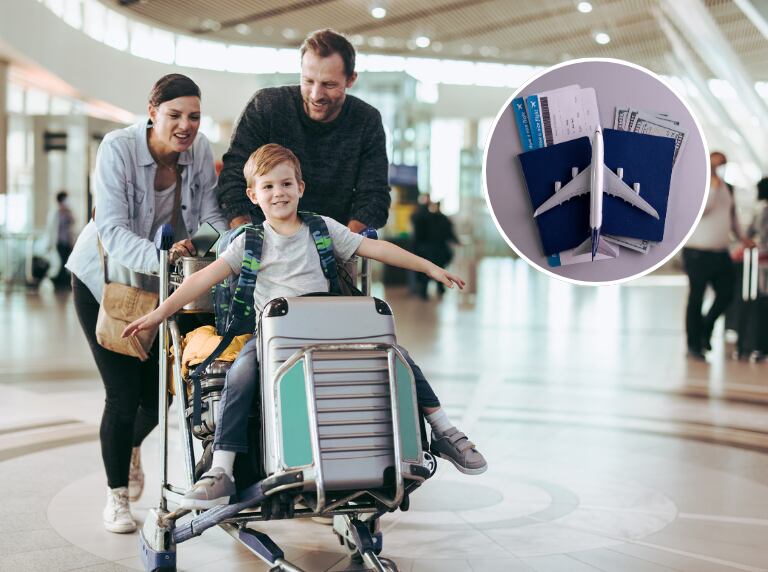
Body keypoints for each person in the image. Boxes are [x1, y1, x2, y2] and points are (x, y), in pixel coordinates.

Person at [123, 144, 487, 509]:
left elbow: (377, 249)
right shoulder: (249, 242)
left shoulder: (321, 229)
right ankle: (222, 469)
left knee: (398, 357)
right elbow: (199, 282)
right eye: (267, 187)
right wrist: (158, 313)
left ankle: (444, 431)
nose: (278, 193)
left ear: (301, 187)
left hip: (327, 331)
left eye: (286, 184)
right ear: (253, 195)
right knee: (241, 373)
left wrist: (429, 268)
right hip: (273, 339)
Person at [66, 74, 228, 533]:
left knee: (161, 395)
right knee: (122, 395)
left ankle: (128, 446)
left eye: (194, 116)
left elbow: (211, 214)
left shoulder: (198, 151)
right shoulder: (117, 149)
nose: (186, 126)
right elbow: (112, 231)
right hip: (105, 283)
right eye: (175, 115)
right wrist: (165, 260)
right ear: (152, 111)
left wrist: (234, 244)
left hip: (160, 289)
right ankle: (117, 496)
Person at [216, 29, 390, 233]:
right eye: (308, 81)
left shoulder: (366, 121)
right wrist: (248, 238)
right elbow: (233, 177)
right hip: (262, 240)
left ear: (351, 79)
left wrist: (341, 246)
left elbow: (374, 197)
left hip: (332, 244)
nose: (316, 95)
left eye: (329, 84)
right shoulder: (266, 106)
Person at [682, 152, 754, 360]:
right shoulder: (699, 185)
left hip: (720, 253)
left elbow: (732, 217)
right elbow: (703, 211)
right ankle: (694, 345)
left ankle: (706, 327)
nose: (718, 169)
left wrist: (743, 238)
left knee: (726, 294)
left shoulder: (727, 187)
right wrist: (711, 187)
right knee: (696, 298)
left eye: (722, 164)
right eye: (715, 164)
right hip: (697, 253)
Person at [47, 190, 76, 289]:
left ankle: (58, 281)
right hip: (59, 242)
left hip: (68, 242)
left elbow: (74, 222)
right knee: (63, 262)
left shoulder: (68, 212)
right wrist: (49, 244)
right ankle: (58, 281)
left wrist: (68, 212)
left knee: (65, 262)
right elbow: (51, 229)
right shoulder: (55, 213)